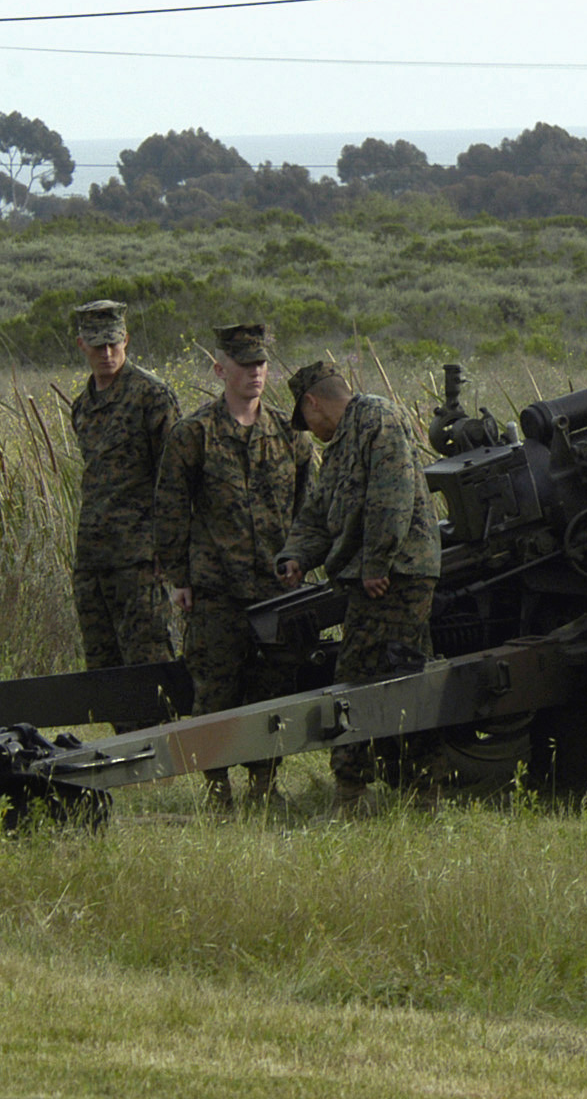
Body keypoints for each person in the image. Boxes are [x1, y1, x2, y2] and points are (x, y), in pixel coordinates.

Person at [154, 322, 314, 814]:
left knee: (271, 690)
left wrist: (302, 558)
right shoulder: (194, 434)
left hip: (274, 587)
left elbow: (310, 506)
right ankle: (216, 790)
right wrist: (178, 578)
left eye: (262, 364)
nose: (255, 373)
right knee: (214, 689)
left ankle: (265, 785)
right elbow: (171, 508)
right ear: (221, 369)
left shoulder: (290, 434)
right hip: (215, 588)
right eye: (245, 365)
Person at [277, 359, 442, 817]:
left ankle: (359, 794)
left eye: (305, 419)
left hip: (397, 577)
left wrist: (376, 563)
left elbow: (393, 493)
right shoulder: (340, 447)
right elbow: (318, 512)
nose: (308, 430)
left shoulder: (376, 417)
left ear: (312, 403)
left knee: (365, 678)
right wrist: (294, 557)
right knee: (390, 676)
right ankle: (412, 790)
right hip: (375, 578)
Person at [67, 299, 179, 676]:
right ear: (82, 345)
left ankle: (160, 736)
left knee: (149, 667)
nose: (108, 352)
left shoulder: (152, 395)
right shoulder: (83, 406)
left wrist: (170, 548)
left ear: (126, 339)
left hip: (140, 558)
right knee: (103, 671)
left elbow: (174, 477)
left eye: (114, 342)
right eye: (98, 345)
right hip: (94, 559)